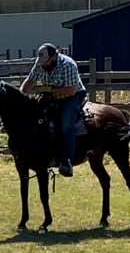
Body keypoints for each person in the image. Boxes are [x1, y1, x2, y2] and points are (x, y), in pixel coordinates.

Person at [20, 43, 85, 176]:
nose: (43, 65)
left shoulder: (68, 65)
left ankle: (67, 162)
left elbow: (71, 90)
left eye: (46, 62)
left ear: (54, 56)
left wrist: (50, 89)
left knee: (66, 125)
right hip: (52, 96)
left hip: (72, 97)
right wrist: (20, 97)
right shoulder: (40, 63)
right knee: (37, 120)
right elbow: (29, 81)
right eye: (42, 62)